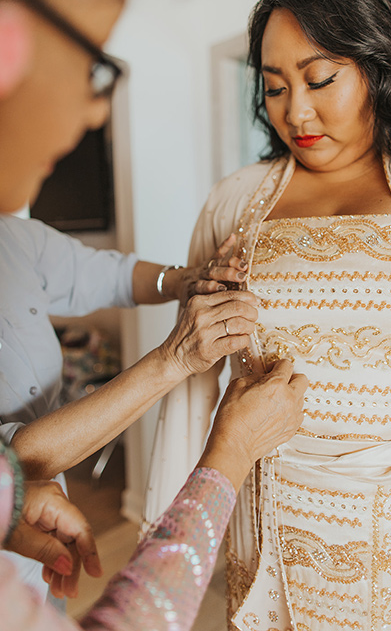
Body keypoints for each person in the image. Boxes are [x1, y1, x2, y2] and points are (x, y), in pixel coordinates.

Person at [145, 0, 391, 631]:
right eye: (273, 86)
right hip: (275, 533)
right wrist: (165, 552)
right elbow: (190, 380)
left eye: (321, 77)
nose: (296, 111)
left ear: (378, 66)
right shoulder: (234, 203)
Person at [0, 0, 308, 627]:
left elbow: (106, 272)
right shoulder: (236, 196)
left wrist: (186, 280)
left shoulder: (16, 243)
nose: (95, 114)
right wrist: (226, 454)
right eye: (93, 63)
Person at [0, 213, 246, 599]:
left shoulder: (12, 236)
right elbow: (14, 462)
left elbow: (115, 276)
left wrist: (184, 280)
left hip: (46, 534)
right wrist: (174, 358)